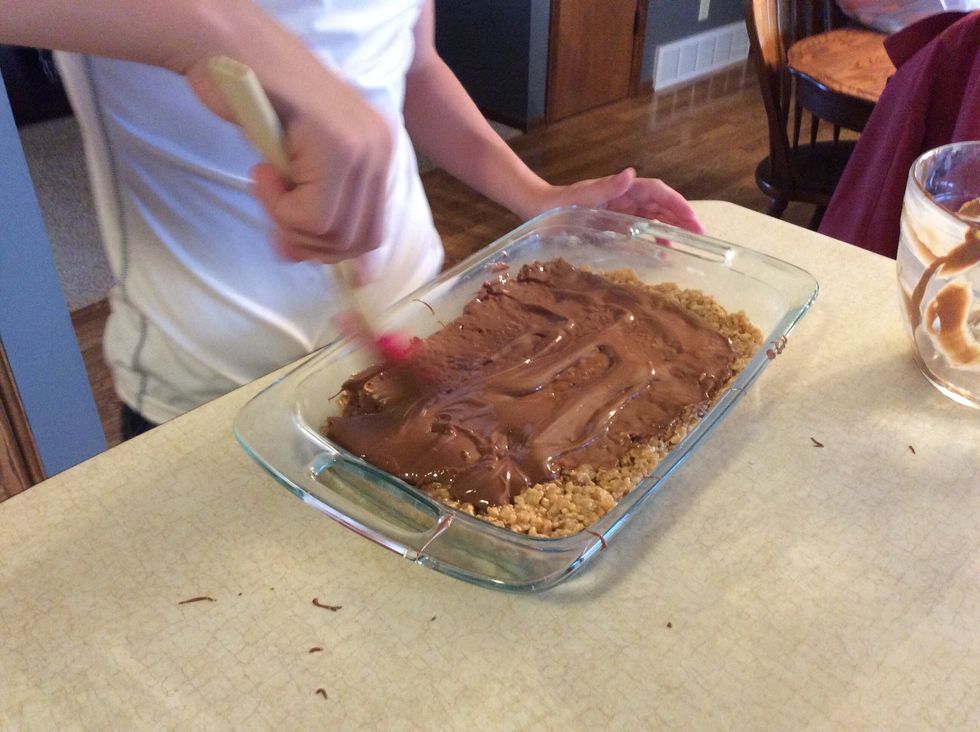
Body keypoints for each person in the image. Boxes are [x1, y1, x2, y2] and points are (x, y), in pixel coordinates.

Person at [3, 0, 704, 438]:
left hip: (429, 337)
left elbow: (411, 62)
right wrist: (213, 31)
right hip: (212, 394)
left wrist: (531, 193)